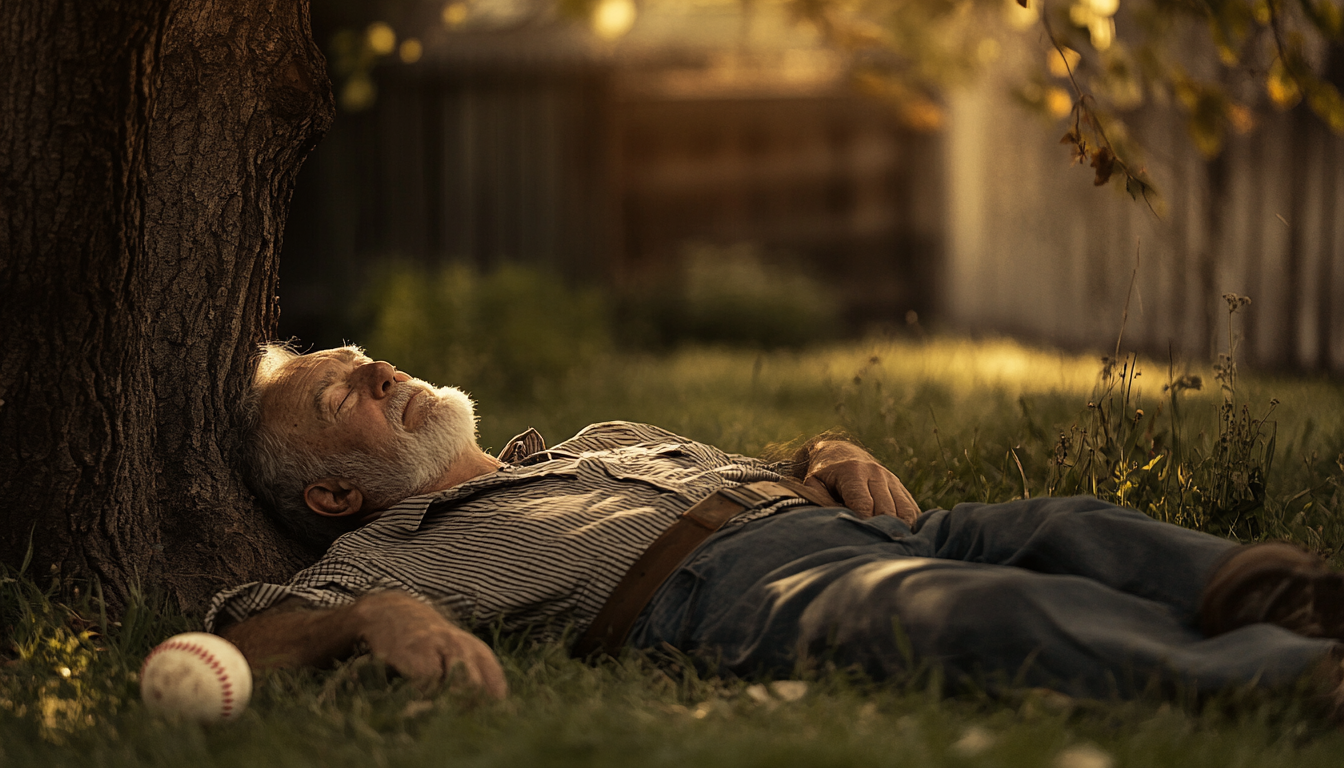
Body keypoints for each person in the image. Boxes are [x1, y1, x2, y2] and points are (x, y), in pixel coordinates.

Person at [209, 344, 1344, 706]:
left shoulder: (598, 432)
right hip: (735, 592)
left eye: (368, 359)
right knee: (980, 612)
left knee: (1073, 521)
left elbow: (767, 468)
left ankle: (1290, 592)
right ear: (331, 496)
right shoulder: (386, 554)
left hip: (860, 523)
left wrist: (823, 453)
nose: (378, 371)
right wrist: (372, 616)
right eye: (338, 392)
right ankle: (1292, 676)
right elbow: (238, 633)